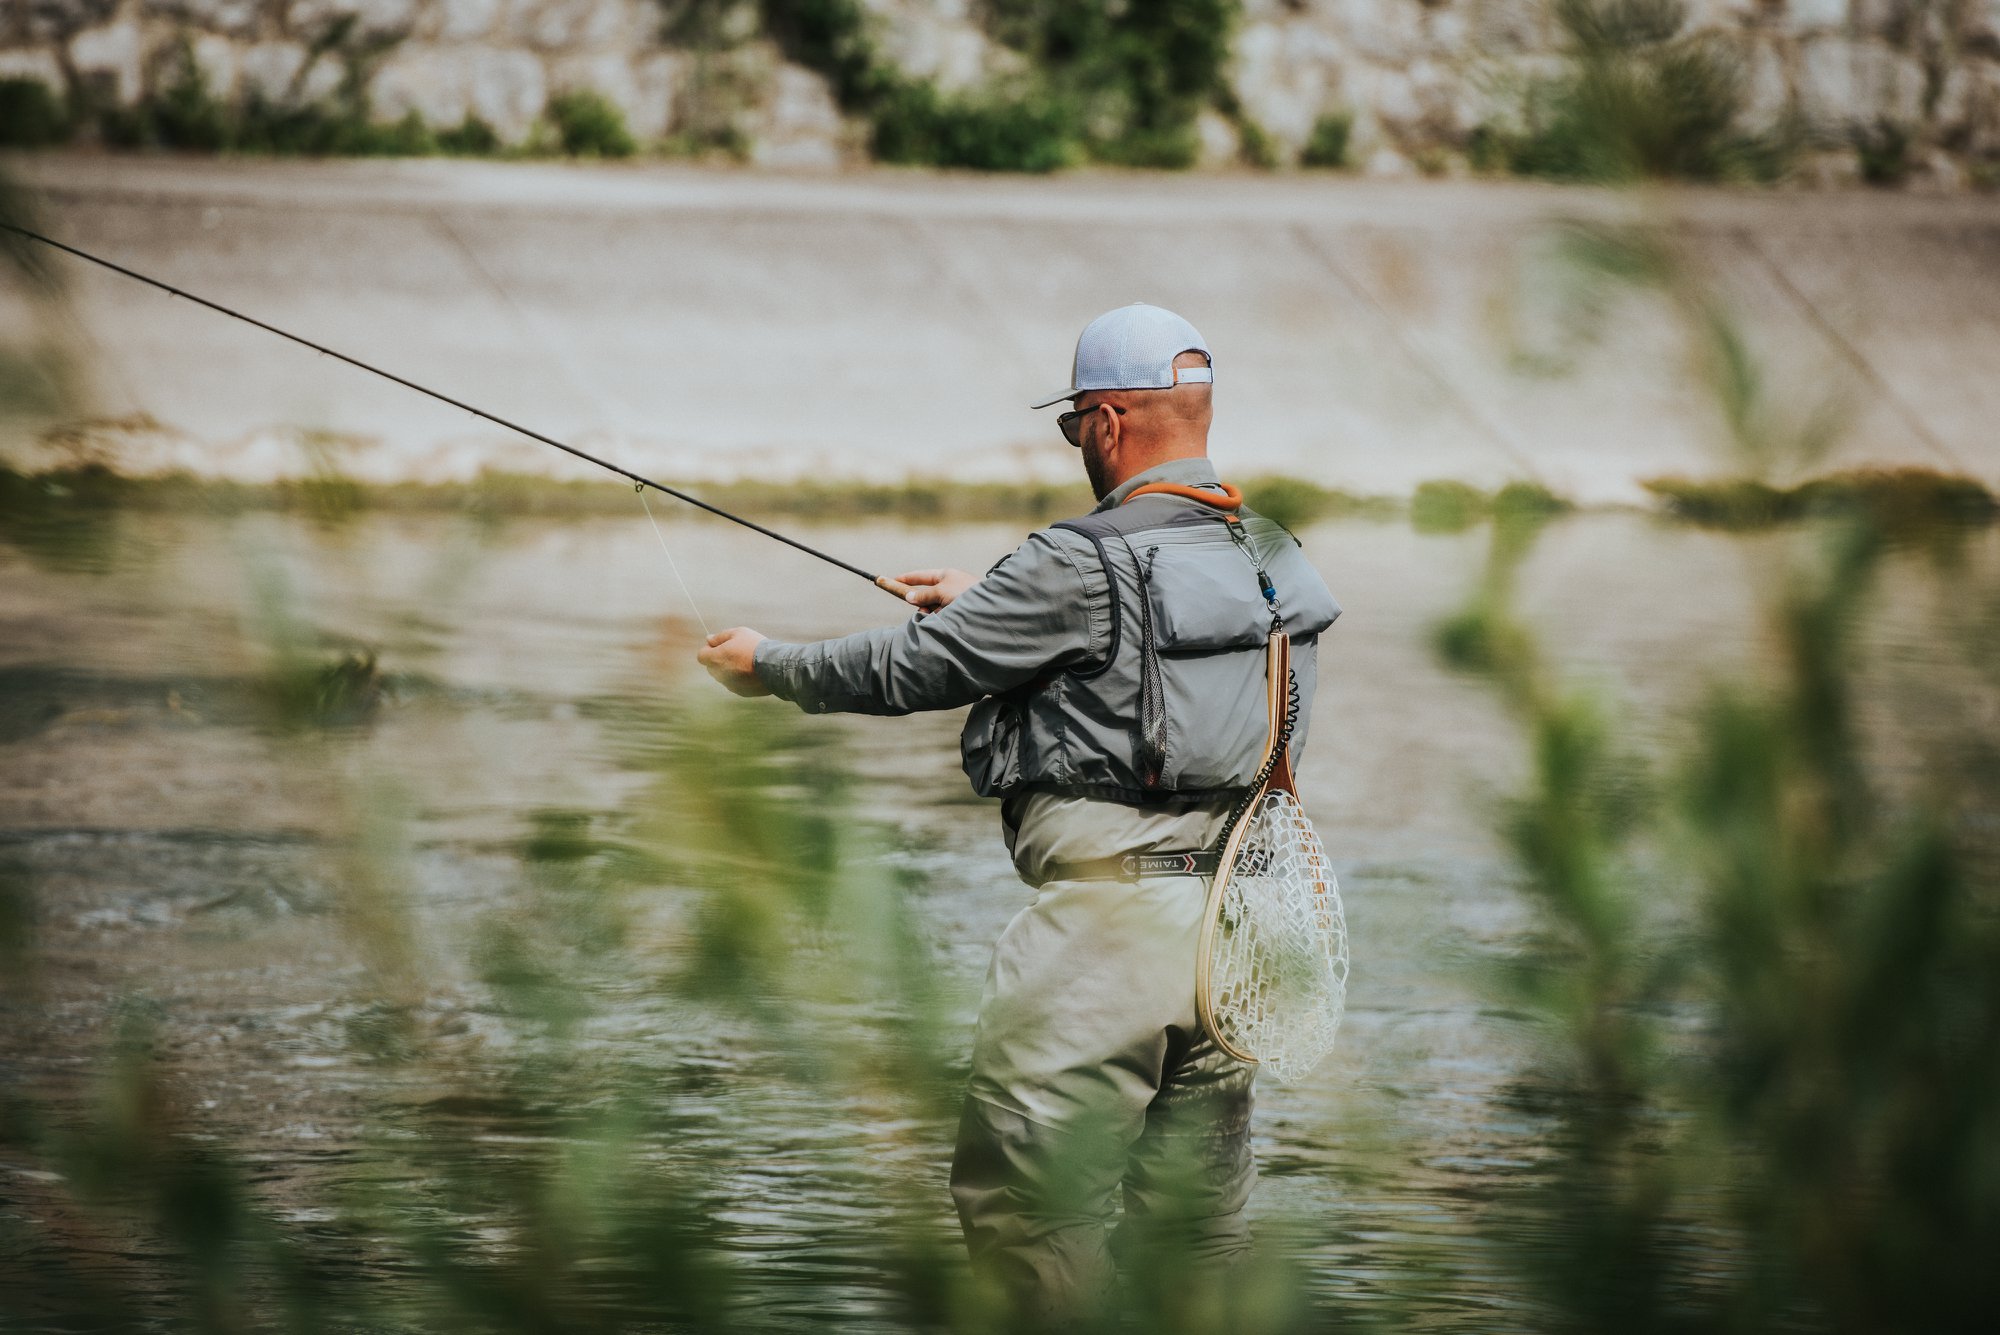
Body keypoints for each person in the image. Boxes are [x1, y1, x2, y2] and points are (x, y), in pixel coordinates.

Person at [697, 304, 1340, 1321]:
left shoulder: (1073, 562)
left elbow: (911, 669)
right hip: (1239, 936)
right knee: (1194, 1234)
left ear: (1108, 421)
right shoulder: (1271, 551)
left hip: (1107, 936)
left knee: (1029, 1216)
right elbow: (1133, 652)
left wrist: (767, 666)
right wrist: (991, 598)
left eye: (1072, 424)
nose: (1076, 442)